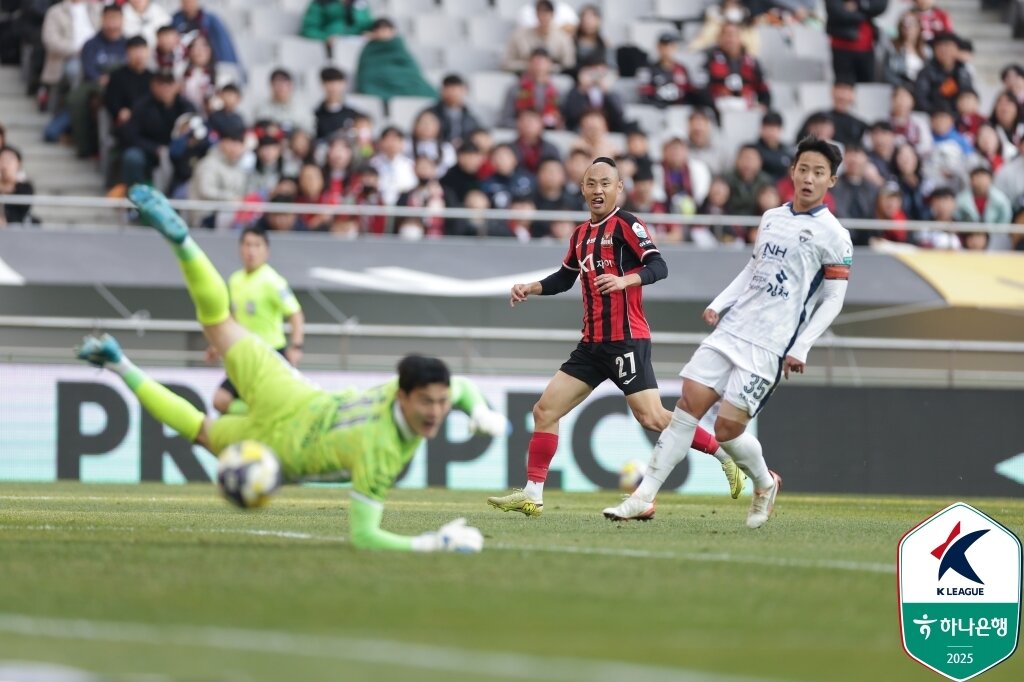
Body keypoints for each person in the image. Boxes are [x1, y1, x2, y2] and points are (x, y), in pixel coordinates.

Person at [77, 185, 506, 552]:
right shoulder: (381, 455)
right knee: (201, 429)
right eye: (428, 403)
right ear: (403, 395)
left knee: (216, 329)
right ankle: (120, 360)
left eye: (442, 403)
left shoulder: (411, 387)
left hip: (287, 397)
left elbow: (462, 387)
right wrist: (431, 544)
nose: (436, 412)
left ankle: (178, 254)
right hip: (281, 446)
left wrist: (480, 410)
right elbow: (364, 537)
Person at [602, 137, 852, 527]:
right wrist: (721, 302)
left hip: (772, 343)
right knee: (688, 406)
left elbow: (833, 299)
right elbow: (754, 270)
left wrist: (802, 346)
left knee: (727, 429)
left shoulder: (834, 236)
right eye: (803, 169)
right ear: (792, 172)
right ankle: (642, 495)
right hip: (733, 329)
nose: (808, 178)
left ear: (831, 180)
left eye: (819, 172)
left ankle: (765, 482)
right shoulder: (771, 218)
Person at [486, 157, 744, 517]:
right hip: (591, 345)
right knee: (545, 410)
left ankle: (725, 455)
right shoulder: (580, 235)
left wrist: (626, 279)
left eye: (606, 183)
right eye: (591, 183)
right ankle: (533, 493)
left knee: (653, 418)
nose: (598, 190)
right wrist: (531, 287)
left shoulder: (627, 224)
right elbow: (564, 278)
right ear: (582, 189)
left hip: (626, 339)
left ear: (619, 188)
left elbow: (658, 266)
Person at [208, 227, 305, 415]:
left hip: (271, 354)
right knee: (220, 401)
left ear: (266, 251)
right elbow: (234, 319)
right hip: (245, 354)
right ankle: (253, 421)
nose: (251, 251)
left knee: (266, 403)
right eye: (247, 245)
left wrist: (297, 346)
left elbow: (296, 314)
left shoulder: (273, 281)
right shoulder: (235, 280)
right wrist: (216, 346)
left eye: (257, 245)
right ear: (240, 249)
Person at [503, 0, 576, 73]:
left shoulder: (562, 38)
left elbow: (569, 64)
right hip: (524, 76)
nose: (543, 17)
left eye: (546, 13)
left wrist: (549, 67)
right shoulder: (520, 35)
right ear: (536, 14)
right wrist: (530, 66)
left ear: (552, 15)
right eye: (540, 12)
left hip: (553, 78)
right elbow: (506, 63)